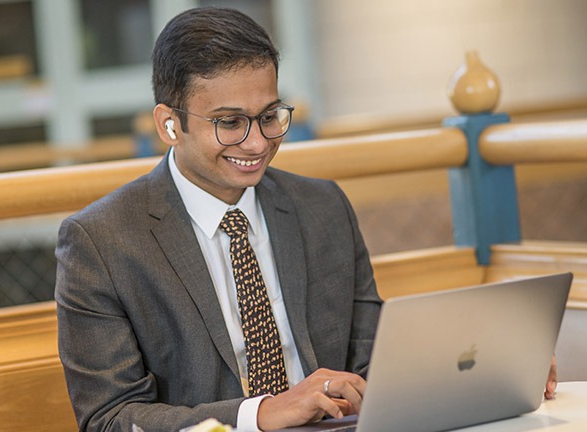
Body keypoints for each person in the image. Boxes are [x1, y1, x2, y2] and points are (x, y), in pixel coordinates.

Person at [55, 7, 382, 432]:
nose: (257, 143)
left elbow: (373, 362)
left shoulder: (323, 207)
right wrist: (261, 414)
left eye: (269, 117)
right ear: (169, 124)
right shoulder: (101, 242)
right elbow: (110, 419)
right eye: (229, 123)